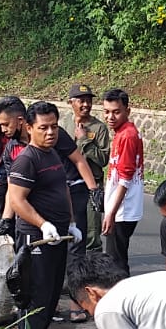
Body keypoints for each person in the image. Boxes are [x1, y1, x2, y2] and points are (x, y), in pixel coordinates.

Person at [4, 101, 82, 329]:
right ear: (28, 127)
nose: (50, 133)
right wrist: (42, 224)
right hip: (35, 241)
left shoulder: (53, 154)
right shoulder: (27, 159)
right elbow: (17, 200)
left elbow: (63, 189)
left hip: (58, 237)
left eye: (55, 127)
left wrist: (70, 222)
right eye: (43, 128)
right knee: (35, 297)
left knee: (51, 294)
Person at [60, 83, 110, 254]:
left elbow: (103, 159)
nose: (86, 105)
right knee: (68, 230)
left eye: (88, 101)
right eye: (81, 101)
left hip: (91, 187)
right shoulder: (64, 123)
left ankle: (92, 274)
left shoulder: (99, 128)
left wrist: (84, 141)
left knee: (91, 234)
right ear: (70, 102)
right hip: (67, 186)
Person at [101, 88, 144, 270]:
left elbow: (125, 178)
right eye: (107, 112)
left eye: (116, 112)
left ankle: (120, 296)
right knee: (116, 259)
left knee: (116, 263)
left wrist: (110, 213)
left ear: (127, 110)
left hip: (122, 210)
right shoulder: (122, 132)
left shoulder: (127, 136)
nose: (110, 117)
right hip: (120, 208)